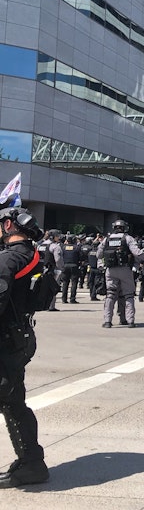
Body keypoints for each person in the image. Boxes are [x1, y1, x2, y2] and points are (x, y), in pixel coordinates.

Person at [0, 206, 49, 488]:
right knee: (12, 401)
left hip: (5, 340)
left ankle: (32, 464)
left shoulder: (8, 259)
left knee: (12, 402)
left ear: (8, 226)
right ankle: (30, 461)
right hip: (18, 337)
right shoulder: (30, 254)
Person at [97, 219, 144, 328]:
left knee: (110, 295)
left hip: (110, 270)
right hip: (125, 269)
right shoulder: (128, 238)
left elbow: (99, 254)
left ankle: (107, 321)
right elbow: (137, 253)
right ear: (125, 228)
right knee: (128, 295)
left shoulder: (106, 239)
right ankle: (130, 321)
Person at [38, 229, 63, 312]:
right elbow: (58, 259)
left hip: (40, 269)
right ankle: (50, 306)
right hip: (51, 269)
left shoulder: (40, 245)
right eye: (57, 236)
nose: (58, 237)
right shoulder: (55, 246)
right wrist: (61, 268)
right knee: (53, 288)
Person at [60, 235, 81, 304]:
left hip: (65, 266)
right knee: (74, 283)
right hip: (74, 266)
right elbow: (81, 257)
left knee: (65, 283)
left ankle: (64, 299)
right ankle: (72, 299)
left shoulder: (63, 247)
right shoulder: (76, 248)